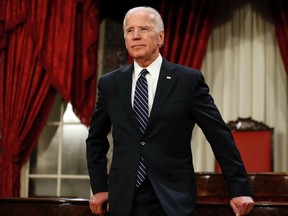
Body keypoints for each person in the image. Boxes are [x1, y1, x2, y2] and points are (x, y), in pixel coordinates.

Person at [86, 6, 254, 216]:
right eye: (130, 31)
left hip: (171, 197)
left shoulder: (187, 81)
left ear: (160, 37)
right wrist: (100, 186)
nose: (136, 36)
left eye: (144, 29)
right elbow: (96, 140)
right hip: (123, 198)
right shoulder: (110, 84)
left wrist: (239, 189)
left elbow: (219, 136)